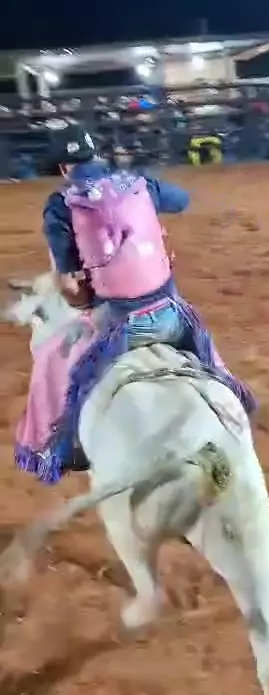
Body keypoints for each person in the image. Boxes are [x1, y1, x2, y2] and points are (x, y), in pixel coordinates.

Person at [15, 124, 256, 484]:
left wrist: (82, 298)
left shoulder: (61, 205)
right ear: (95, 155)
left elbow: (68, 285)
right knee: (210, 359)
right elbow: (182, 200)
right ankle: (232, 399)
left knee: (52, 358)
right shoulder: (139, 183)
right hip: (171, 316)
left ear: (64, 168)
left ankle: (60, 451)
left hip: (118, 328)